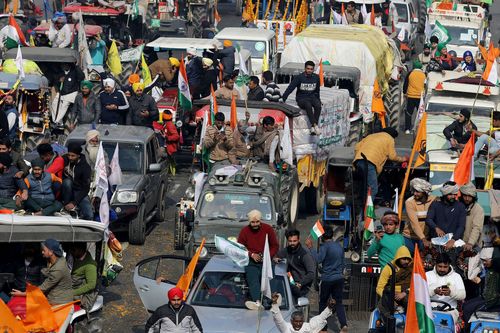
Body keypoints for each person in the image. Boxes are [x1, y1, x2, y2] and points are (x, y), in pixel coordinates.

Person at [305, 225, 347, 333]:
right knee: (339, 303)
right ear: (332, 235)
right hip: (339, 278)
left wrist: (310, 247)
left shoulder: (324, 247)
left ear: (322, 237)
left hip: (327, 279)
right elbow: (343, 264)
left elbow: (318, 259)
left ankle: (323, 328)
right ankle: (344, 325)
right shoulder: (339, 246)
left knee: (323, 302)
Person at [238, 209, 279, 310]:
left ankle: (273, 300)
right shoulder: (244, 231)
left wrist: (267, 256)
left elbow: (275, 245)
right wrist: (251, 254)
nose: (255, 224)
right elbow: (240, 247)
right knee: (253, 281)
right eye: (253, 222)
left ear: (260, 221)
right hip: (251, 261)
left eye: (257, 222)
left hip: (266, 260)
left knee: (270, 279)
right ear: (249, 222)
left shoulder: (268, 229)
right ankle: (257, 301)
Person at [11, 239, 73, 305]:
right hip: (53, 301)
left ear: (51, 252)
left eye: (44, 250)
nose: (42, 252)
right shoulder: (53, 261)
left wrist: (22, 294)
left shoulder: (58, 269)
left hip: (61, 304)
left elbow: (42, 288)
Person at [353, 127, 407, 202]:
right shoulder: (389, 139)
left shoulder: (371, 136)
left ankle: (360, 206)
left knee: (363, 186)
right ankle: (367, 212)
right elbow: (392, 156)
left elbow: (356, 147)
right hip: (370, 163)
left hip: (358, 161)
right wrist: (403, 159)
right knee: (373, 188)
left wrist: (358, 157)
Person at [282, 61, 322, 135]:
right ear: (305, 68)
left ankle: (313, 127)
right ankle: (315, 125)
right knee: (308, 105)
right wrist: (283, 98)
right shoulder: (299, 77)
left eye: (311, 69)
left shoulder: (316, 77)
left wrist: (318, 100)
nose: (309, 70)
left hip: (312, 97)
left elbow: (317, 90)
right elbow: (290, 88)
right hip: (302, 98)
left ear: (313, 69)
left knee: (318, 105)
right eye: (308, 68)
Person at [376, 246, 413, 323]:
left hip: (406, 294)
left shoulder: (412, 268)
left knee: (411, 304)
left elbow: (416, 285)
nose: (406, 261)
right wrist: (389, 299)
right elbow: (379, 288)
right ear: (398, 258)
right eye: (404, 259)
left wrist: (404, 293)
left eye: (408, 259)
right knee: (383, 308)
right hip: (390, 294)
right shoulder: (389, 268)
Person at [274, 229, 315, 298]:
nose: (292, 243)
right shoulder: (286, 250)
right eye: (290, 241)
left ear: (298, 240)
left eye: (294, 241)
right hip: (288, 284)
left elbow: (311, 274)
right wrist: (275, 259)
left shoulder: (305, 254)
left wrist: (300, 283)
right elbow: (275, 256)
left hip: (302, 287)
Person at [426, 181, 466, 250]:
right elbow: (428, 219)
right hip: (437, 242)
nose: (453, 196)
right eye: (450, 194)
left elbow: (461, 226)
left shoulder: (460, 206)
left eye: (455, 194)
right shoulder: (435, 205)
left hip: (453, 244)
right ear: (445, 193)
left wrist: (453, 240)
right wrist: (436, 228)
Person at [426, 253, 466, 322]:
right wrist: (434, 291)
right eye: (440, 266)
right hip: (429, 310)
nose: (442, 269)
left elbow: (463, 295)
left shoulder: (456, 276)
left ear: (449, 265)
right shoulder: (427, 275)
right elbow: (420, 294)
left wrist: (451, 292)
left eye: (445, 267)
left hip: (450, 311)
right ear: (435, 264)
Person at [271, 292, 337, 333]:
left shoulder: (307, 328)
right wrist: (274, 304)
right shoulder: (286, 328)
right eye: (296, 321)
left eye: (300, 321)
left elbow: (321, 318)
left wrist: (329, 308)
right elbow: (278, 319)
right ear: (291, 321)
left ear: (303, 321)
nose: (298, 324)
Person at [61, 142, 93, 220]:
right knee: (67, 182)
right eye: (69, 155)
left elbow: (86, 188)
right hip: (65, 189)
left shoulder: (85, 167)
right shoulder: (64, 159)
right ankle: (66, 207)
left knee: (89, 214)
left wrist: (74, 202)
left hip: (79, 191)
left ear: (78, 155)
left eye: (73, 156)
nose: (70, 158)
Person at [403, 178, 435, 252]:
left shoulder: (433, 200)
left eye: (417, 191)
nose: (415, 193)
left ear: (424, 192)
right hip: (410, 237)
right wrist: (423, 239)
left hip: (426, 237)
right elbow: (414, 224)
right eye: (414, 191)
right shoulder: (409, 202)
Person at [69, 242, 98, 311]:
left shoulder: (90, 265)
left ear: (80, 250)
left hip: (80, 293)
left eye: (73, 250)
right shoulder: (75, 258)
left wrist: (73, 293)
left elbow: (91, 285)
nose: (71, 252)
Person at [403, 60, 425, 134]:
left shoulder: (410, 74)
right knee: (420, 113)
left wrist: (404, 92)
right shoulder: (424, 74)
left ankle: (407, 129)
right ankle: (418, 129)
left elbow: (406, 84)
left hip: (411, 96)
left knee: (409, 113)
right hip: (420, 97)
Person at [460, 183, 484, 251]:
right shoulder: (459, 206)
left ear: (473, 196)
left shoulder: (478, 209)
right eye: (465, 196)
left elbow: (476, 228)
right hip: (459, 244)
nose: (467, 199)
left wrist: (470, 243)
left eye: (469, 196)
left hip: (473, 246)